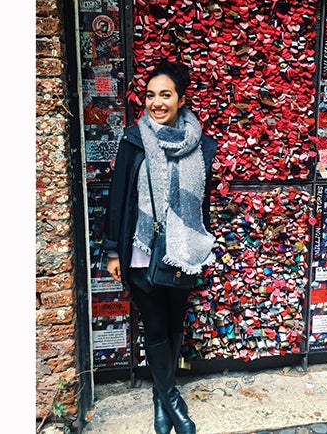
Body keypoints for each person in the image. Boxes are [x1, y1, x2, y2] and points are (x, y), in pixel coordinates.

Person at [103, 60, 217, 434]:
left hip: (182, 249)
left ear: (181, 99)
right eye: (150, 95)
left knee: (173, 322)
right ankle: (171, 401)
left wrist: (199, 244)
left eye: (165, 94)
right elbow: (116, 196)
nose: (156, 102)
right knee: (154, 324)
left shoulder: (204, 147)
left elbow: (203, 204)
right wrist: (113, 251)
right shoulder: (133, 141)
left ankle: (159, 395)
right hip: (142, 247)